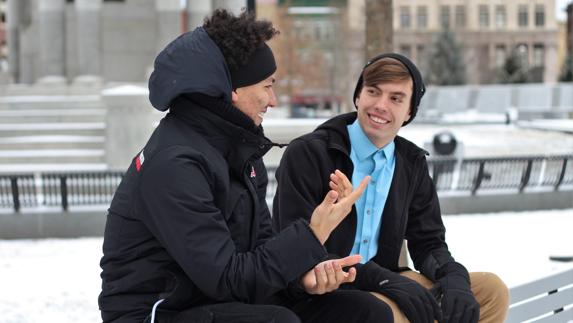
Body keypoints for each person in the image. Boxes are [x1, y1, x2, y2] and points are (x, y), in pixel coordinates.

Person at [98, 9, 380, 323]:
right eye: (267, 86)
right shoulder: (174, 165)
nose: (273, 100)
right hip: (158, 313)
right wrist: (313, 233)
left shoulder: (239, 154)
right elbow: (228, 278)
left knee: (363, 311)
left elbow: (258, 251)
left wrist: (302, 278)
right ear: (231, 90)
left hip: (215, 301)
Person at [272, 53, 510, 323]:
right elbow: (293, 244)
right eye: (373, 92)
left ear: (409, 111)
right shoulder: (310, 154)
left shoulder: (410, 163)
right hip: (326, 287)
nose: (381, 105)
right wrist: (383, 279)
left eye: (396, 98)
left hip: (386, 281)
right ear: (358, 96)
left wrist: (453, 276)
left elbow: (428, 241)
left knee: (491, 291)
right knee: (389, 313)